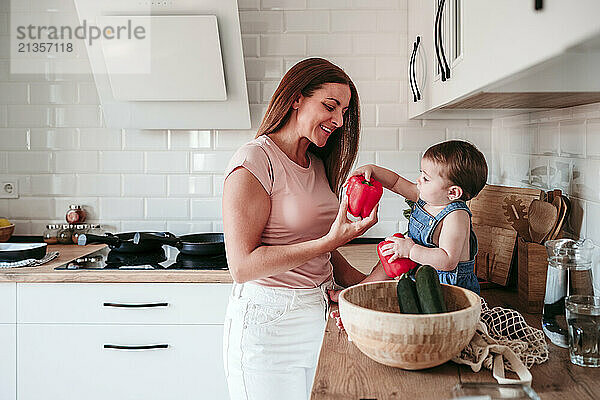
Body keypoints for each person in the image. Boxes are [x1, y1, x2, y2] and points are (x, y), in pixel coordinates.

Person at [221, 58, 378, 400]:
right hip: (269, 327)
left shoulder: (319, 164)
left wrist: (362, 284)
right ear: (296, 98)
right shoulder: (255, 161)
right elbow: (242, 266)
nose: (338, 120)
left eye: (344, 111)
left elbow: (324, 247)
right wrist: (328, 241)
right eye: (330, 105)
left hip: (321, 317)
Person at [329, 140, 488, 329]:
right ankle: (356, 293)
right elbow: (396, 183)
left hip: (446, 289)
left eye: (426, 178)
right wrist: (373, 170)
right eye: (421, 174)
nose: (419, 181)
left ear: (453, 192)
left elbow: (447, 261)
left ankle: (359, 314)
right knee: (389, 255)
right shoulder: (428, 197)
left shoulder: (456, 216)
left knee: (409, 320)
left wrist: (410, 249)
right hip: (419, 273)